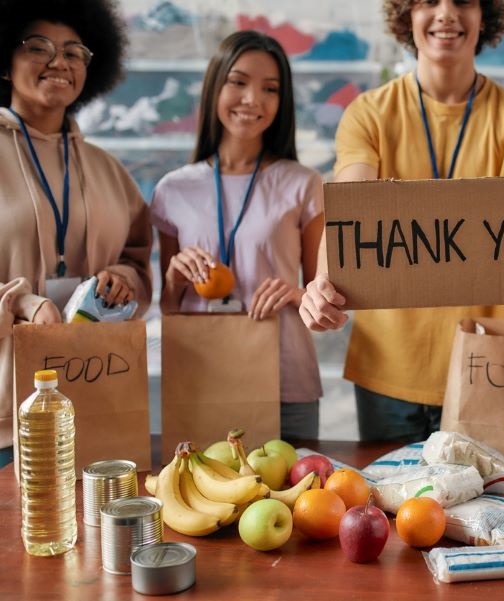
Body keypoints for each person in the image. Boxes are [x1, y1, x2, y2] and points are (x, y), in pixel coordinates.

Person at [299, 0, 504, 443]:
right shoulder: (368, 114)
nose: (445, 13)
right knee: (388, 511)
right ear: (407, 15)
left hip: (485, 365)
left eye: (463, 1)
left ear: (485, 17)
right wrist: (323, 280)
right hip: (387, 369)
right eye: (428, 1)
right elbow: (350, 213)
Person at [150, 31, 325, 441]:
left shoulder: (302, 184)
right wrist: (176, 275)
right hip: (203, 378)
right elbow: (169, 309)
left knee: (303, 504)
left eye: (270, 89)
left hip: (286, 379)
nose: (253, 99)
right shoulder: (173, 189)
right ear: (215, 86)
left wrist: (295, 293)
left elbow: (323, 299)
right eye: (239, 82)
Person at [0, 0, 152, 467]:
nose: (58, 61)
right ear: (6, 62)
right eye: (39, 47)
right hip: (7, 415)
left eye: (74, 51)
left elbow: (139, 259)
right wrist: (22, 304)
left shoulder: (108, 169)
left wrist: (123, 278)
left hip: (97, 398)